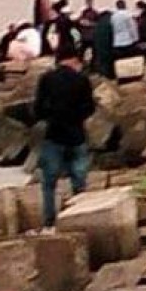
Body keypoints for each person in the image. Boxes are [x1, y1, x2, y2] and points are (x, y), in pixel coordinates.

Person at [32, 40, 96, 228]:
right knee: (79, 180)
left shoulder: (46, 79)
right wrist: (77, 118)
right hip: (76, 135)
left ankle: (50, 221)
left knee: (49, 183)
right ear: (75, 59)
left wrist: (50, 117)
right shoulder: (82, 79)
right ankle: (78, 218)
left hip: (54, 135)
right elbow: (90, 107)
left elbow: (38, 109)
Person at [110, 0, 140, 71]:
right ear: (124, 5)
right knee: (128, 61)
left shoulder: (113, 16)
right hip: (128, 41)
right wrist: (136, 39)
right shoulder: (128, 15)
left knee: (119, 62)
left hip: (117, 42)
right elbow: (133, 28)